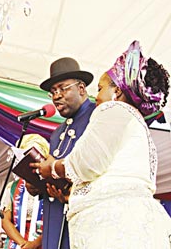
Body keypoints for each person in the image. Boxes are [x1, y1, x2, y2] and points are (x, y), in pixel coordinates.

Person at [35, 41, 171, 248]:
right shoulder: (136, 122)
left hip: (110, 227)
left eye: (100, 89)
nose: (97, 96)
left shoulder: (112, 110)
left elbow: (86, 164)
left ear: (116, 92)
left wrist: (52, 168)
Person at [30, 57, 96, 249]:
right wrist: (36, 184)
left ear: (81, 88)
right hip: (54, 214)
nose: (56, 96)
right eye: (53, 92)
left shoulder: (98, 117)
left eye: (62, 88)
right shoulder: (58, 132)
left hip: (82, 216)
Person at [1, 134, 48, 249]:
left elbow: (54, 222)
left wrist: (34, 245)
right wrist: (24, 244)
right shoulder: (12, 187)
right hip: (18, 243)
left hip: (43, 242)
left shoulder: (50, 185)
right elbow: (5, 221)